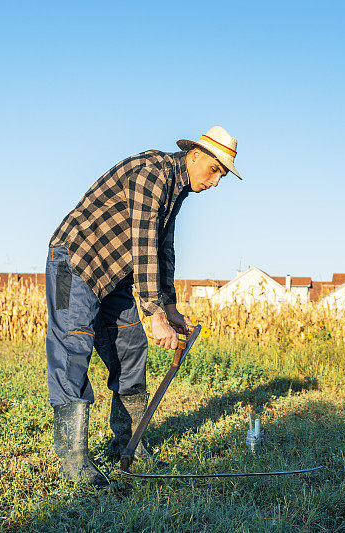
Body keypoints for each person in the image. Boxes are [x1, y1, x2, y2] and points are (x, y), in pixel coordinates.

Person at [45, 126, 241, 486]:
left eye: (222, 176)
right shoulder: (152, 172)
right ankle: (74, 462)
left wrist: (169, 307)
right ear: (194, 154)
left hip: (114, 275)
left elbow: (163, 250)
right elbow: (144, 241)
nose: (216, 182)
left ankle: (131, 446)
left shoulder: (177, 189)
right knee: (72, 348)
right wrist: (154, 312)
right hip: (71, 266)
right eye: (215, 170)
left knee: (131, 347)